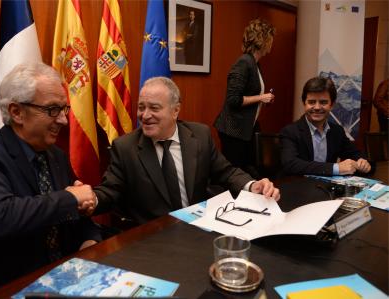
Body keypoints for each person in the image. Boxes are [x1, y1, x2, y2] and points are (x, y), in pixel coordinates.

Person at [0, 63, 100, 299]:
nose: (63, 120)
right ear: (17, 112)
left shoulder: (55, 155)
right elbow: (1, 217)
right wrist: (70, 197)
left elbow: (75, 214)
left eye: (64, 109)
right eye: (52, 110)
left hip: (58, 280)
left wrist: (90, 240)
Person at [94, 77, 280, 225]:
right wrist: (90, 199)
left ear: (175, 111)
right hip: (152, 238)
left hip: (197, 230)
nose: (145, 115)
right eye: (141, 107)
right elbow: (110, 191)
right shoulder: (125, 147)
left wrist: (252, 185)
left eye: (154, 108)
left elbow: (226, 172)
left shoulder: (199, 135)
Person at [214, 19, 275, 179]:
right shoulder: (244, 62)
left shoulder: (255, 64)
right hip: (233, 130)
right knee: (234, 174)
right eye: (271, 40)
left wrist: (263, 99)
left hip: (247, 129)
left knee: (251, 170)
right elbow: (233, 100)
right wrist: (261, 97)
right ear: (263, 40)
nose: (272, 44)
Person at [279, 76, 372, 176]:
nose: (317, 107)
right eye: (311, 102)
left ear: (332, 105)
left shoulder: (337, 131)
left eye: (323, 102)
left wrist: (363, 162)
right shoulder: (290, 131)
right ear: (304, 103)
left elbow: (355, 154)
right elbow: (290, 164)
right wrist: (335, 168)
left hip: (327, 188)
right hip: (298, 186)